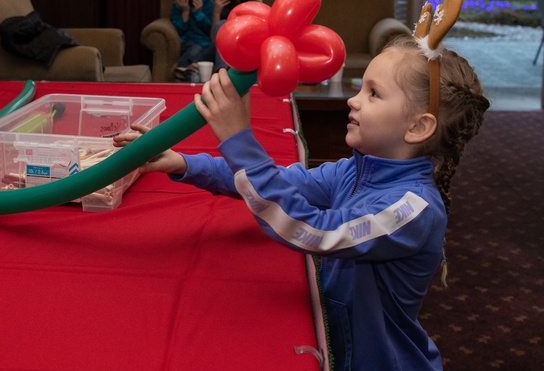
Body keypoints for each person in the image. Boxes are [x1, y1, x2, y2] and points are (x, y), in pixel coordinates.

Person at [116, 28, 488, 370]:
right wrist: (183, 162)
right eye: (360, 87)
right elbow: (282, 183)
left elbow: (314, 230)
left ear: (417, 127)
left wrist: (239, 140)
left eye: (373, 93)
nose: (352, 101)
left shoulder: (409, 210)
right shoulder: (354, 170)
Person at [210, 0, 263, 71]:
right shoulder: (222, 6)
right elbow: (213, 39)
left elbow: (263, 31)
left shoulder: (253, 3)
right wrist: (217, 11)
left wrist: (259, 7)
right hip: (227, 43)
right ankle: (222, 71)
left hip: (247, 39)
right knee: (221, 24)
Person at [171, 0, 215, 82]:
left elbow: (209, 28)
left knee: (216, 47)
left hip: (205, 42)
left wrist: (198, 12)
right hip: (188, 41)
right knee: (195, 48)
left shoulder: (208, 2)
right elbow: (179, 30)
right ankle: (182, 70)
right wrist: (185, 11)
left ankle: (187, 68)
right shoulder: (178, 3)